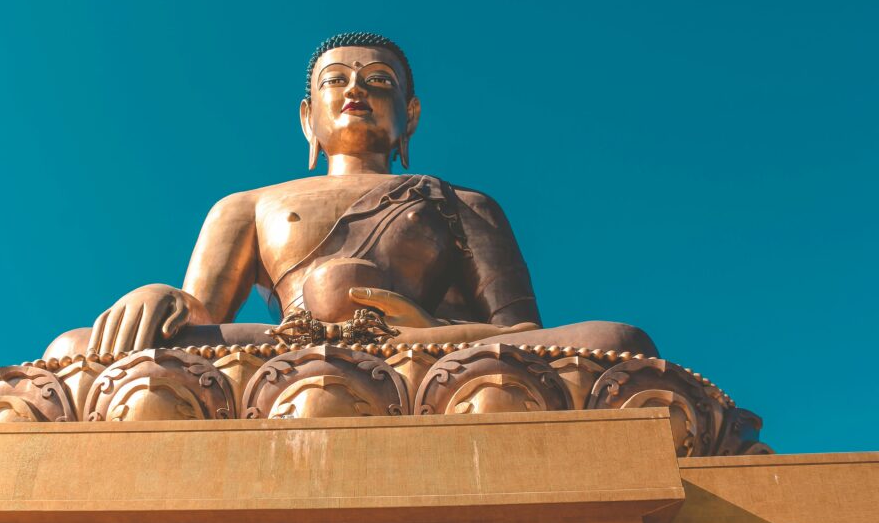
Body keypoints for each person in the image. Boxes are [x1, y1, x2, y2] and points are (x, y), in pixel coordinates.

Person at [45, 33, 656, 360]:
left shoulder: (462, 203)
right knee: (75, 350)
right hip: (285, 349)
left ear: (409, 117)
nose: (356, 89)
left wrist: (422, 335)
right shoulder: (247, 205)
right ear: (308, 118)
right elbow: (202, 318)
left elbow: (523, 334)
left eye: (379, 81)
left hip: (430, 352)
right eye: (336, 80)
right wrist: (163, 297)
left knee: (616, 344)